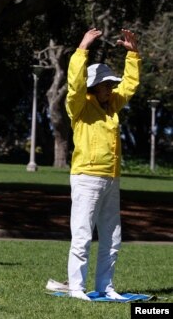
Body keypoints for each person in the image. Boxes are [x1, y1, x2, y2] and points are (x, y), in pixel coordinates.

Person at [65, 28, 140, 300]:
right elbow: (74, 83)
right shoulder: (79, 106)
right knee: (83, 234)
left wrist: (132, 55)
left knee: (112, 237)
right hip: (86, 177)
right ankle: (76, 288)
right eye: (106, 84)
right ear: (94, 86)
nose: (110, 88)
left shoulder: (112, 106)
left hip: (111, 178)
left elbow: (130, 86)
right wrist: (82, 49)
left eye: (111, 84)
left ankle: (105, 287)